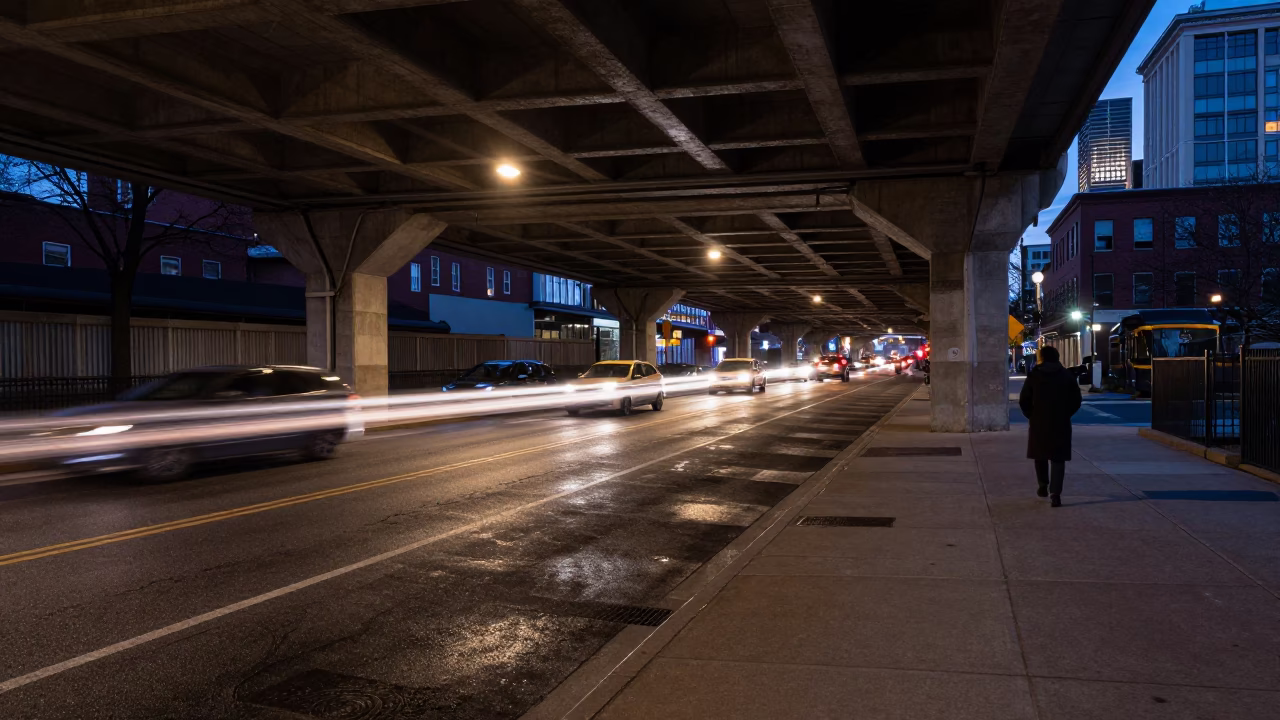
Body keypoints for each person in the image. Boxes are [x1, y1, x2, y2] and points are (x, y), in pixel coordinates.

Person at [1018, 345, 1082, 507]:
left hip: (1039, 421)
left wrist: (1032, 415)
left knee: (1040, 455)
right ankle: (1056, 494)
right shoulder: (1066, 375)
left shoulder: (1034, 375)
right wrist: (1066, 413)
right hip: (1061, 421)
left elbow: (1024, 400)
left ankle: (1042, 485)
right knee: (1058, 458)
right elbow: (1076, 400)